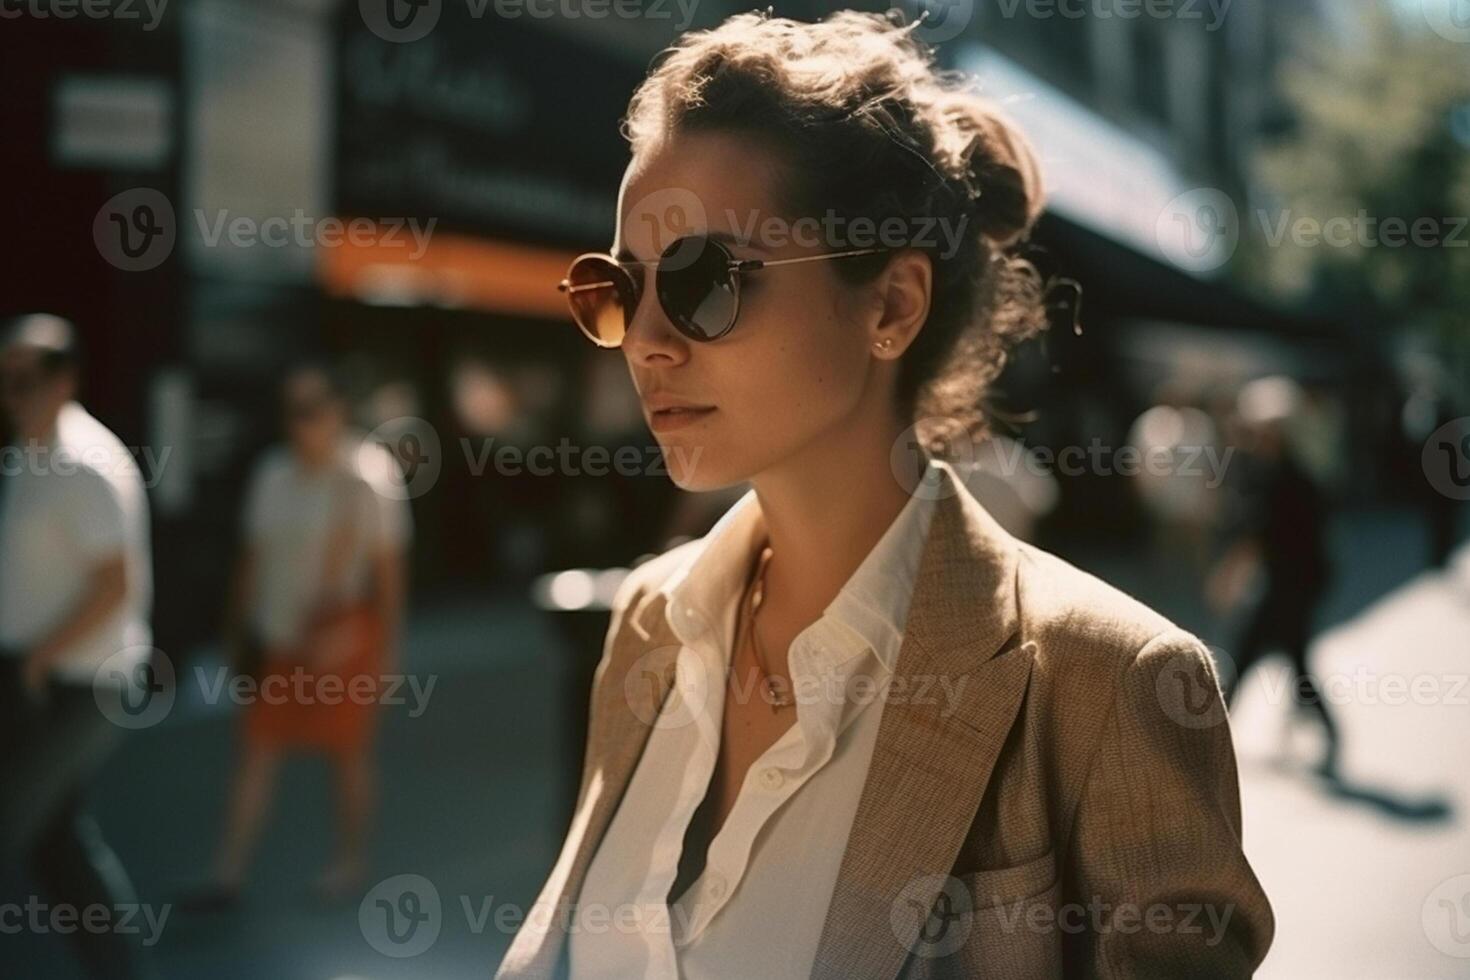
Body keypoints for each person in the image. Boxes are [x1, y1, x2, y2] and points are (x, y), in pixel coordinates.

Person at [497, 11, 1273, 979]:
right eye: (618, 286)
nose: (649, 337)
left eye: (705, 280)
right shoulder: (649, 623)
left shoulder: (1108, 685)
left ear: (892, 305)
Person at [185, 364, 411, 908]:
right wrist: (236, 633)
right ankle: (228, 871)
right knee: (258, 749)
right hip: (281, 636)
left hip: (342, 643)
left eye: (311, 410)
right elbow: (252, 559)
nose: (300, 424)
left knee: (347, 754)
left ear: (337, 411)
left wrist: (387, 653)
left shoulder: (368, 475)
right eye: (292, 412)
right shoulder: (273, 473)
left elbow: (387, 573)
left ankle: (349, 861)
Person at [0, 314, 158, 980]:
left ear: (65, 381)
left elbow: (114, 585)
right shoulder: (29, 453)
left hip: (81, 681)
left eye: (25, 378)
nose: (10, 391)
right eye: (3, 377)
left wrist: (36, 657)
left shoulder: (86, 461)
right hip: (40, 677)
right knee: (58, 844)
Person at [1208, 376, 1340, 778]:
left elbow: (1259, 534)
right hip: (1295, 582)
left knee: (1252, 653)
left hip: (1291, 585)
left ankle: (1209, 736)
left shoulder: (1285, 476)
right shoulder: (1290, 472)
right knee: (1282, 660)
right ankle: (1214, 733)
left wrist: (1230, 574)